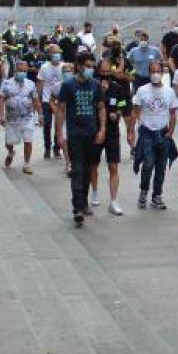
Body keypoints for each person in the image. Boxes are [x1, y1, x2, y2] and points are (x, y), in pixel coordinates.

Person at [56, 52, 106, 228]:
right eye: (87, 66)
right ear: (79, 66)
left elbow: (101, 108)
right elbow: (61, 110)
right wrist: (59, 134)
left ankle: (83, 201)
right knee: (77, 170)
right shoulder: (68, 86)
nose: (90, 70)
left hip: (92, 135)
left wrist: (102, 129)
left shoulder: (96, 85)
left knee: (87, 171)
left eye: (93, 67)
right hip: (75, 135)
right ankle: (77, 208)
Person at [127, 60, 178, 210]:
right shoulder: (142, 90)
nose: (155, 74)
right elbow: (135, 111)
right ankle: (143, 192)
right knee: (148, 163)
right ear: (149, 73)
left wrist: (170, 132)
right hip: (147, 132)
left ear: (162, 73)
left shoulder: (169, 92)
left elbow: (173, 113)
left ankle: (157, 196)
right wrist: (131, 131)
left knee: (161, 166)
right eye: (152, 71)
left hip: (163, 133)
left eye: (158, 71)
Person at [88, 66, 129, 214]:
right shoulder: (92, 86)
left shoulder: (117, 87)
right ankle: (94, 192)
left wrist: (117, 113)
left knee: (113, 166)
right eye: (102, 72)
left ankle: (113, 201)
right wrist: (102, 92)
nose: (105, 75)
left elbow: (123, 106)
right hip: (95, 131)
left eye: (107, 72)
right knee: (93, 164)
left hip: (112, 132)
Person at [0, 60, 42, 175]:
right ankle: (11, 152)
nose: (22, 73)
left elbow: (36, 100)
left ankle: (27, 164)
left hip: (27, 118)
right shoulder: (6, 83)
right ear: (15, 71)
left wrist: (40, 115)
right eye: (20, 70)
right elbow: (1, 99)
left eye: (24, 71)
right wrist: (1, 115)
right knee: (9, 142)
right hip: (11, 119)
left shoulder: (30, 84)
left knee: (28, 140)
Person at [37, 43, 65, 159]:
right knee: (47, 125)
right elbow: (40, 85)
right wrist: (38, 102)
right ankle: (47, 148)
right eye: (54, 52)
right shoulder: (44, 67)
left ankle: (57, 148)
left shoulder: (64, 66)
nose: (56, 55)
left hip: (60, 100)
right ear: (49, 54)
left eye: (58, 52)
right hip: (46, 99)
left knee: (58, 125)